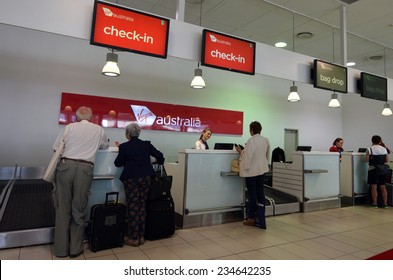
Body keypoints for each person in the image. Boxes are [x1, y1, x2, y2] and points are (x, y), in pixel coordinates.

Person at [52, 106, 109, 258]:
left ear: (77, 117)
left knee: (62, 207)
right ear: (90, 118)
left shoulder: (69, 127)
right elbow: (104, 146)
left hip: (66, 166)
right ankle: (75, 249)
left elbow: (56, 148)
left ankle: (60, 250)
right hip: (85, 168)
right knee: (79, 208)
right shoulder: (99, 130)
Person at [114, 123, 164, 247]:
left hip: (131, 179)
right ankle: (141, 236)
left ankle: (134, 237)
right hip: (146, 178)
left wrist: (122, 151)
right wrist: (158, 161)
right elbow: (160, 156)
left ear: (127, 134)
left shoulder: (124, 146)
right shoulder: (146, 144)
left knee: (133, 206)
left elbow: (117, 163)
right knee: (142, 205)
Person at [235, 121, 270, 228]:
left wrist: (241, 151)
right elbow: (266, 155)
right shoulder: (265, 140)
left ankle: (251, 218)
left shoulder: (252, 140)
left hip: (251, 172)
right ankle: (261, 216)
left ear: (252, 130)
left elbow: (248, 157)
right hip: (262, 170)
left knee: (252, 194)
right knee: (260, 192)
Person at [365, 135, 389, 209]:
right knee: (383, 187)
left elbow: (366, 160)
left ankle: (374, 203)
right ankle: (385, 204)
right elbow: (387, 160)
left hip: (373, 169)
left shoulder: (369, 149)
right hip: (382, 170)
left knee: (374, 187)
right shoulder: (384, 149)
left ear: (372, 141)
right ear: (380, 141)